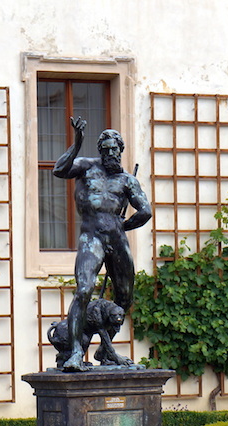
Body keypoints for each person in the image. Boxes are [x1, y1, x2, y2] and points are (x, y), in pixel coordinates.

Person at [52, 116, 152, 371]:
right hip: (92, 237)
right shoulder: (86, 167)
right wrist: (77, 142)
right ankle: (76, 352)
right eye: (106, 149)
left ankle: (104, 352)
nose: (110, 153)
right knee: (84, 290)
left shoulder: (128, 180)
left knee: (124, 298)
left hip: (117, 238)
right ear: (100, 151)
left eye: (114, 149)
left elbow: (145, 211)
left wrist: (124, 225)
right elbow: (59, 170)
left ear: (121, 150)